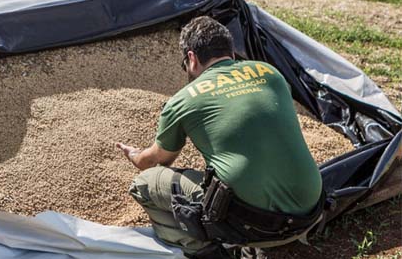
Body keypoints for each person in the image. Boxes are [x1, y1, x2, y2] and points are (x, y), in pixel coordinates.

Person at [117, 16, 324, 259]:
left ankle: (208, 250)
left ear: (192, 58)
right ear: (231, 52)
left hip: (259, 227)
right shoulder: (271, 73)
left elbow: (154, 161)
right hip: (310, 210)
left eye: (185, 65)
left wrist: (134, 155)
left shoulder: (183, 100)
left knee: (145, 183)